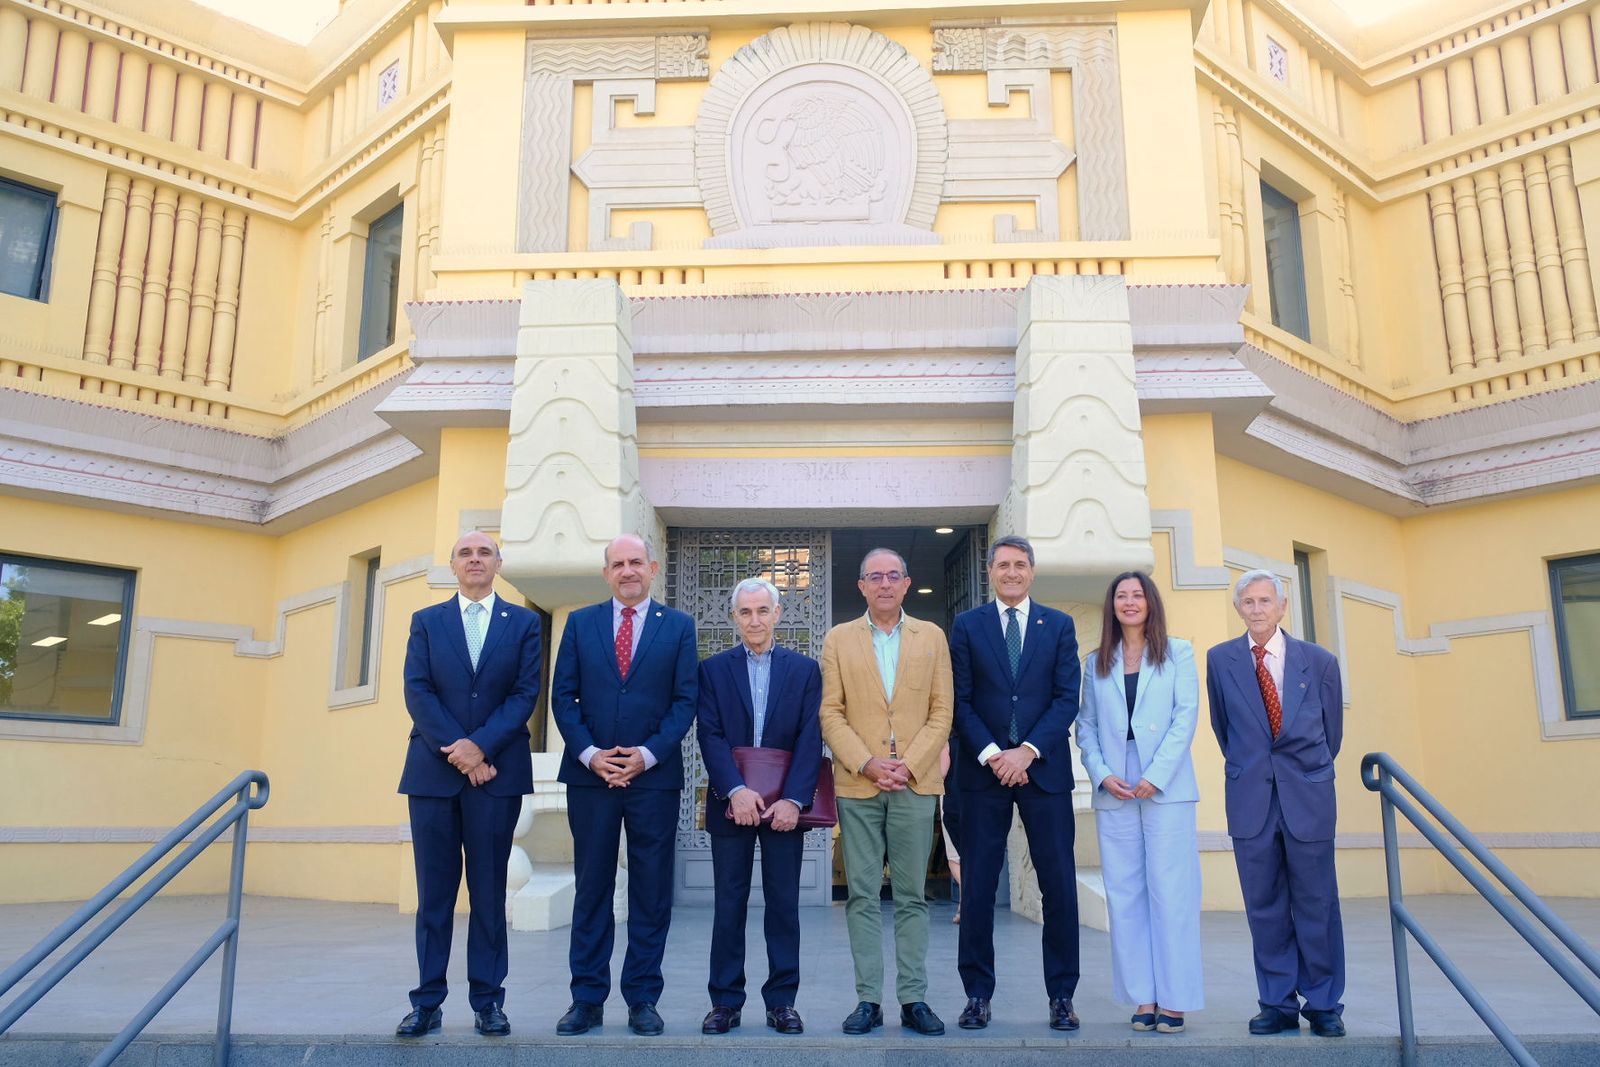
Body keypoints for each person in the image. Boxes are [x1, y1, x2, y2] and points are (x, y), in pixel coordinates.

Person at [550, 534, 698, 1037]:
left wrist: (647, 755)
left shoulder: (678, 626)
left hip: (653, 779)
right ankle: (586, 999)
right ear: (606, 573)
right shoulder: (580, 623)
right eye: (618, 564)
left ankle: (642, 999)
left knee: (651, 892)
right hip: (590, 778)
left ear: (652, 568)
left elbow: (685, 700)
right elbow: (563, 697)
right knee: (591, 888)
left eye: (636, 562)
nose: (628, 570)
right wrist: (591, 755)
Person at [396, 531, 540, 1038]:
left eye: (484, 553)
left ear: (498, 563)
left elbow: (524, 693)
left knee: (488, 893)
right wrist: (461, 751)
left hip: (496, 776)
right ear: (453, 565)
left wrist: (480, 747)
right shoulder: (427, 621)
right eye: (465, 553)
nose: (475, 559)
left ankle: (488, 1001)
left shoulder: (523, 623)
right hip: (434, 776)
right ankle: (427, 1002)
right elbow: (418, 690)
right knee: (434, 897)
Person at [948, 533, 1083, 1033]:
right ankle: (977, 995)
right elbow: (960, 699)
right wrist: (993, 754)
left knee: (1059, 887)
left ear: (1032, 571)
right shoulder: (967, 626)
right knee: (978, 889)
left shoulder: (1059, 625)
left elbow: (1066, 697)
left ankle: (1062, 996)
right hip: (981, 773)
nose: (1011, 572)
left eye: (1020, 564)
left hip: (1042, 771)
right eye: (1002, 564)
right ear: (990, 571)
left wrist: (1026, 751)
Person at [1206, 569, 1346, 1038]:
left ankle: (1323, 1004)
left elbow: (1332, 735)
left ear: (1283, 607)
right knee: (1263, 906)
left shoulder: (1320, 662)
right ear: (1238, 608)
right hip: (1251, 799)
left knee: (1317, 903)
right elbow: (1225, 730)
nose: (1257, 609)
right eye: (1248, 602)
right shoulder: (1220, 660)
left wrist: (1299, 775)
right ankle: (1277, 1003)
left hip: (1308, 796)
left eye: (1265, 600)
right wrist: (1255, 770)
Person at [820, 547, 953, 1037]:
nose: (884, 584)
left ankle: (914, 998)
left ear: (906, 583)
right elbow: (830, 712)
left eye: (893, 576)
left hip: (915, 785)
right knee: (861, 895)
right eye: (874, 576)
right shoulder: (838, 639)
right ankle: (868, 1000)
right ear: (861, 586)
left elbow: (942, 710)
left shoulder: (931, 637)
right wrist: (868, 763)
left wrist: (910, 765)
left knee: (913, 895)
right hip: (859, 784)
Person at [695, 577, 823, 1036]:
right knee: (728, 904)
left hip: (785, 809)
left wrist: (794, 799)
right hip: (732, 804)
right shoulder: (713, 670)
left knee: (783, 905)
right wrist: (734, 789)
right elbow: (709, 733)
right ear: (734, 617)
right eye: (746, 612)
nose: (754, 620)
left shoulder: (805, 670)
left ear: (777, 614)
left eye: (762, 611)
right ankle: (725, 1002)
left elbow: (811, 737)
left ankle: (782, 1002)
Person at [1077, 571, 1203, 1034]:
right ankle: (1143, 998)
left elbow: (1185, 717)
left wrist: (1156, 775)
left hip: (1165, 783)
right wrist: (1101, 773)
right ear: (1111, 606)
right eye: (1121, 596)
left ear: (1150, 602)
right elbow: (1086, 726)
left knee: (1171, 893)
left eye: (1137, 595)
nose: (1129, 602)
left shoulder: (1179, 652)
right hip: (1115, 784)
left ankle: (1175, 999)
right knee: (1125, 894)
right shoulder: (1096, 662)